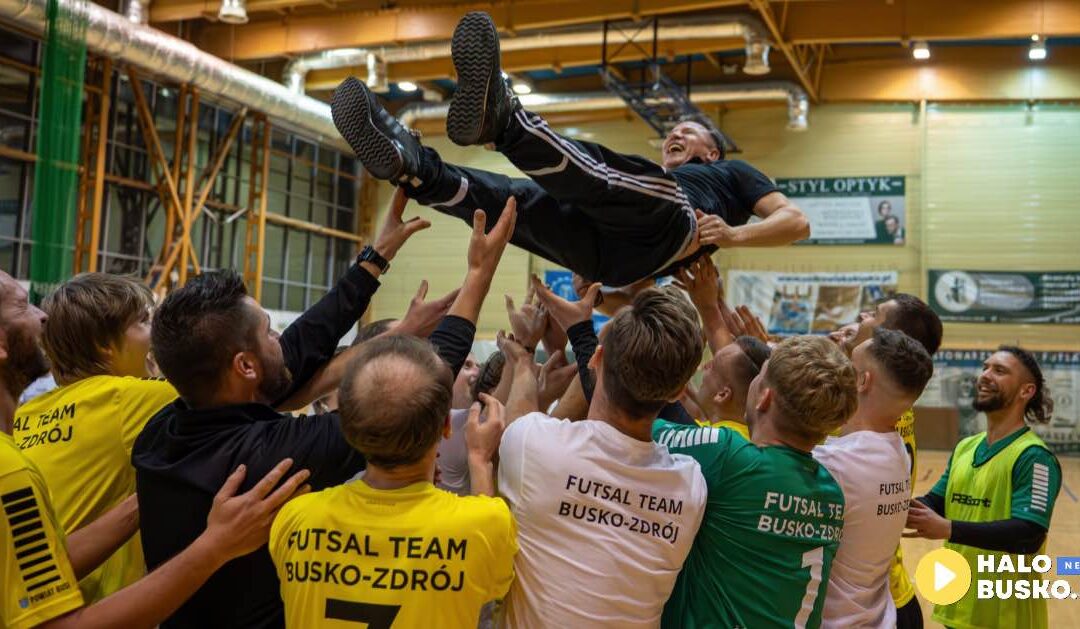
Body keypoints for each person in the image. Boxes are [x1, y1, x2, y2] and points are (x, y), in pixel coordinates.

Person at [132, 192, 517, 628]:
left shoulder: (162, 430)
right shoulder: (266, 458)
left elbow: (297, 350)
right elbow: (423, 381)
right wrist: (479, 274)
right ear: (245, 366)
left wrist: (376, 258)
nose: (281, 338)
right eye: (268, 333)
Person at [330, 11, 809, 288]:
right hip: (612, 260)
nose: (675, 134)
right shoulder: (655, 175)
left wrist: (731, 236)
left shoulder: (732, 175)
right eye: (672, 132)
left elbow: (796, 222)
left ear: (713, 153)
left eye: (689, 130)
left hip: (670, 228)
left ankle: (506, 123)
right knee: (516, 205)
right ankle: (419, 171)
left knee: (606, 177)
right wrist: (600, 293)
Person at [0, 269, 311, 629]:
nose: (41, 315)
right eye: (23, 305)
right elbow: (268, 381)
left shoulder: (30, 421)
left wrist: (151, 493)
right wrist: (214, 546)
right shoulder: (18, 468)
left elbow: (39, 567)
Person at [269, 335, 517, 628]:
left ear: (347, 429)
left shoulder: (296, 519)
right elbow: (493, 582)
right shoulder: (482, 523)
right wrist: (479, 459)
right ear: (447, 425)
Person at [495, 287, 708, 627]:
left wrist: (522, 355)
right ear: (678, 392)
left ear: (595, 359)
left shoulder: (536, 446)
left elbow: (519, 417)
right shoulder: (690, 485)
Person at [653, 335, 857, 628]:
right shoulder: (831, 492)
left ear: (765, 397)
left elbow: (638, 417)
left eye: (759, 376)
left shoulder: (730, 456)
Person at [14, 273, 176, 602]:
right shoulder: (128, 397)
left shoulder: (24, 415)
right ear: (104, 345)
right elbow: (238, 383)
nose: (155, 334)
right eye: (144, 321)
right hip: (88, 607)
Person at [905, 346, 1062, 629]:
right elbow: (936, 501)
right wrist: (893, 506)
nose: (985, 376)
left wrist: (948, 529)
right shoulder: (966, 447)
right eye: (985, 368)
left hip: (1006, 617)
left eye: (999, 371)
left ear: (1027, 391)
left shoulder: (1034, 457)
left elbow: (1029, 533)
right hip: (958, 606)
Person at [828, 292, 943, 629]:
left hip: (873, 604)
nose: (862, 316)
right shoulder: (891, 417)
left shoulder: (855, 434)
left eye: (873, 315)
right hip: (888, 598)